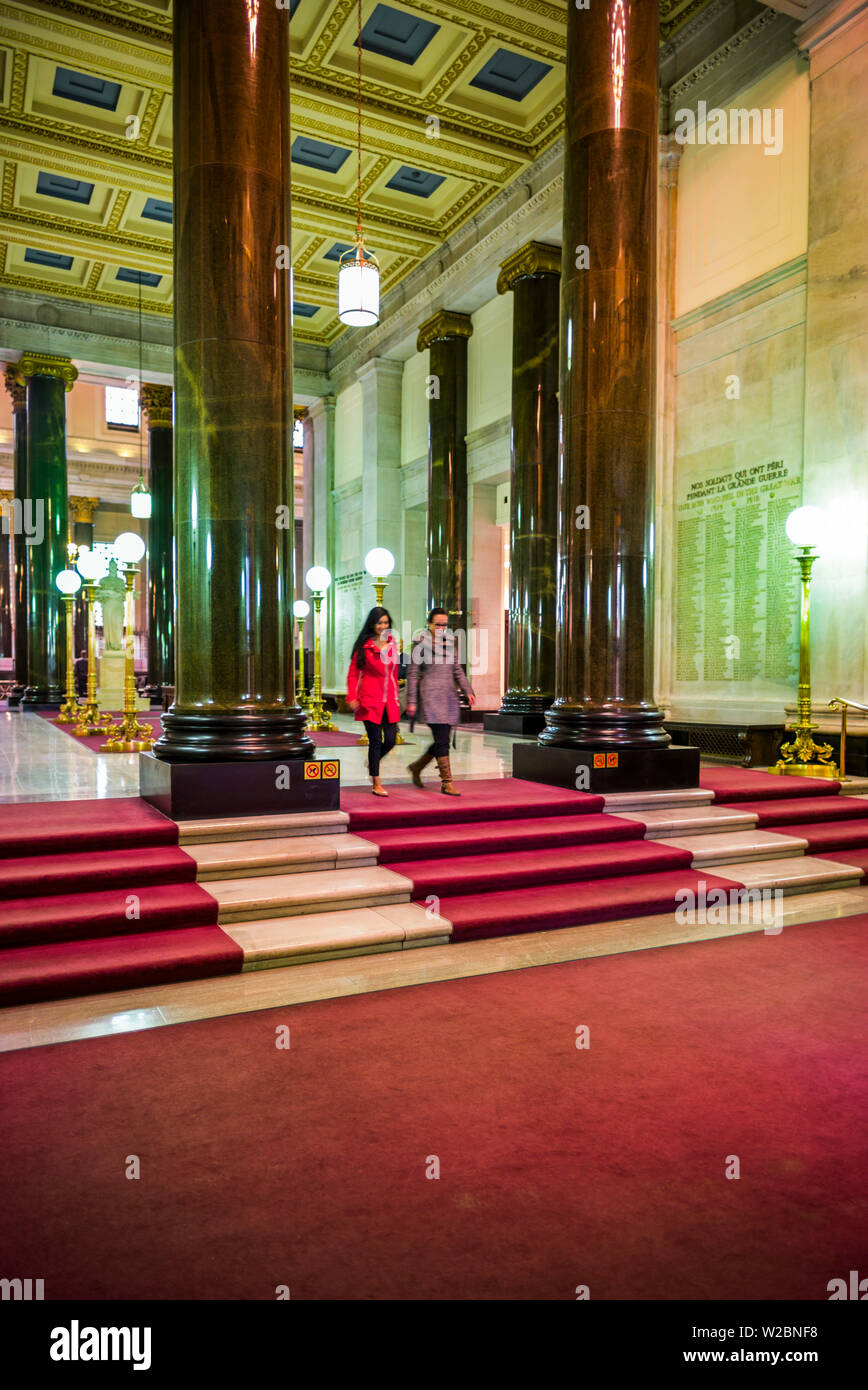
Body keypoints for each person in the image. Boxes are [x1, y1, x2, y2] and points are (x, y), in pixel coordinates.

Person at [405, 607, 476, 796]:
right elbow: (412, 673)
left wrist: (468, 690)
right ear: (428, 624)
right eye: (438, 624)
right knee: (442, 738)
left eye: (444, 625)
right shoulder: (419, 644)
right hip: (430, 697)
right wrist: (411, 700)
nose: (441, 628)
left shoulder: (450, 641)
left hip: (448, 697)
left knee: (441, 739)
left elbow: (457, 670)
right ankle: (447, 782)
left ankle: (417, 766)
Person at [346, 606, 401, 797]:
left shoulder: (393, 644)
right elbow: (353, 674)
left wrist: (396, 697)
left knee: (391, 740)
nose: (383, 626)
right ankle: (376, 782)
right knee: (375, 741)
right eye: (379, 623)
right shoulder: (364, 647)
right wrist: (352, 697)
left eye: (386, 622)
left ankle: (373, 763)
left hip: (390, 701)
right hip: (370, 700)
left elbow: (393, 673)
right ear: (373, 624)